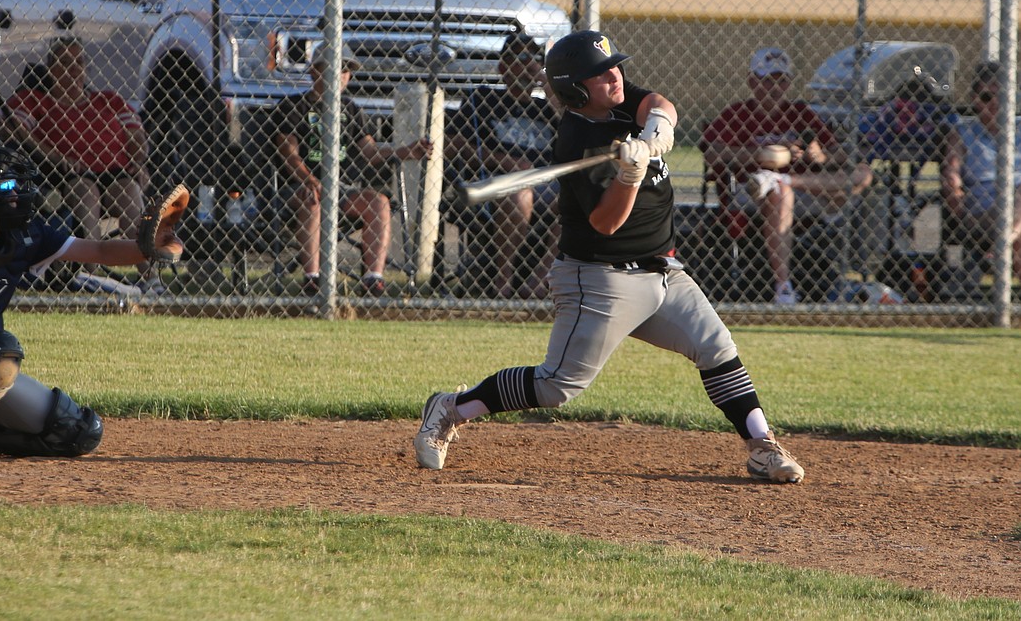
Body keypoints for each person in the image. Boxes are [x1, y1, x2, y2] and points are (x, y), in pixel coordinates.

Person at [414, 30, 805, 484]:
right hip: (599, 279)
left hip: (663, 269)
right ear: (576, 89)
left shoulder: (619, 100)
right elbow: (606, 223)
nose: (614, 76)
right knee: (556, 386)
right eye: (599, 75)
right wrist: (630, 173)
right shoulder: (576, 140)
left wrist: (657, 131)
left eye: (614, 66)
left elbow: (659, 103)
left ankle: (761, 444)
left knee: (716, 349)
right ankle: (450, 408)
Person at [0, 145, 174, 461]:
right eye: (3, 187)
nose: (14, 194)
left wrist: (149, 247)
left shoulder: (25, 236)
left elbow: (100, 252)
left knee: (75, 432)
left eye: (16, 185)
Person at [701, 47, 872, 304]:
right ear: (752, 81)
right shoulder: (737, 114)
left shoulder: (800, 112)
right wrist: (759, 154)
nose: (774, 87)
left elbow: (842, 156)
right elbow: (712, 153)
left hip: (809, 189)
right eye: (767, 80)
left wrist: (820, 156)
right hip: (755, 192)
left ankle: (786, 179)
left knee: (864, 174)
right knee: (782, 193)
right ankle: (784, 286)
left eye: (780, 81)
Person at [270, 42, 432, 296]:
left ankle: (372, 279)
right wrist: (309, 179)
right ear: (315, 71)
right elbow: (288, 153)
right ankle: (314, 279)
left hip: (343, 189)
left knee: (378, 202)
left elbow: (370, 151)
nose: (341, 75)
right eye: (334, 68)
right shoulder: (293, 107)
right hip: (299, 188)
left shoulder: (351, 109)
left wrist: (405, 151)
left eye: (346, 70)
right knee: (312, 198)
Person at [3, 36, 158, 291]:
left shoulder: (108, 100)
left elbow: (137, 137)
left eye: (78, 62)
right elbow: (12, 130)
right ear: (51, 69)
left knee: (130, 195)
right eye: (65, 63)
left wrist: (138, 161)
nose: (73, 69)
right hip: (69, 174)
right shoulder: (36, 99)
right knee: (88, 193)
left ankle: (152, 280)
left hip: (115, 171)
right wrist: (55, 157)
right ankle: (91, 276)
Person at [445, 32, 559, 298]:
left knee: (579, 200)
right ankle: (503, 280)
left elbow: (575, 133)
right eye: (520, 57)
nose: (529, 63)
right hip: (497, 183)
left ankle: (540, 279)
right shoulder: (484, 100)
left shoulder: (547, 108)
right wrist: (504, 160)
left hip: (546, 182)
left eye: (534, 58)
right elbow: (454, 144)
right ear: (502, 67)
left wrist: (551, 88)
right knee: (520, 194)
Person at [940, 60, 1021, 282]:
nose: (993, 103)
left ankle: (1004, 244)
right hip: (983, 210)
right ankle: (1006, 243)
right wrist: (958, 206)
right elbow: (951, 173)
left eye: (1000, 97)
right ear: (975, 100)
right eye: (986, 97)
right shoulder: (964, 132)